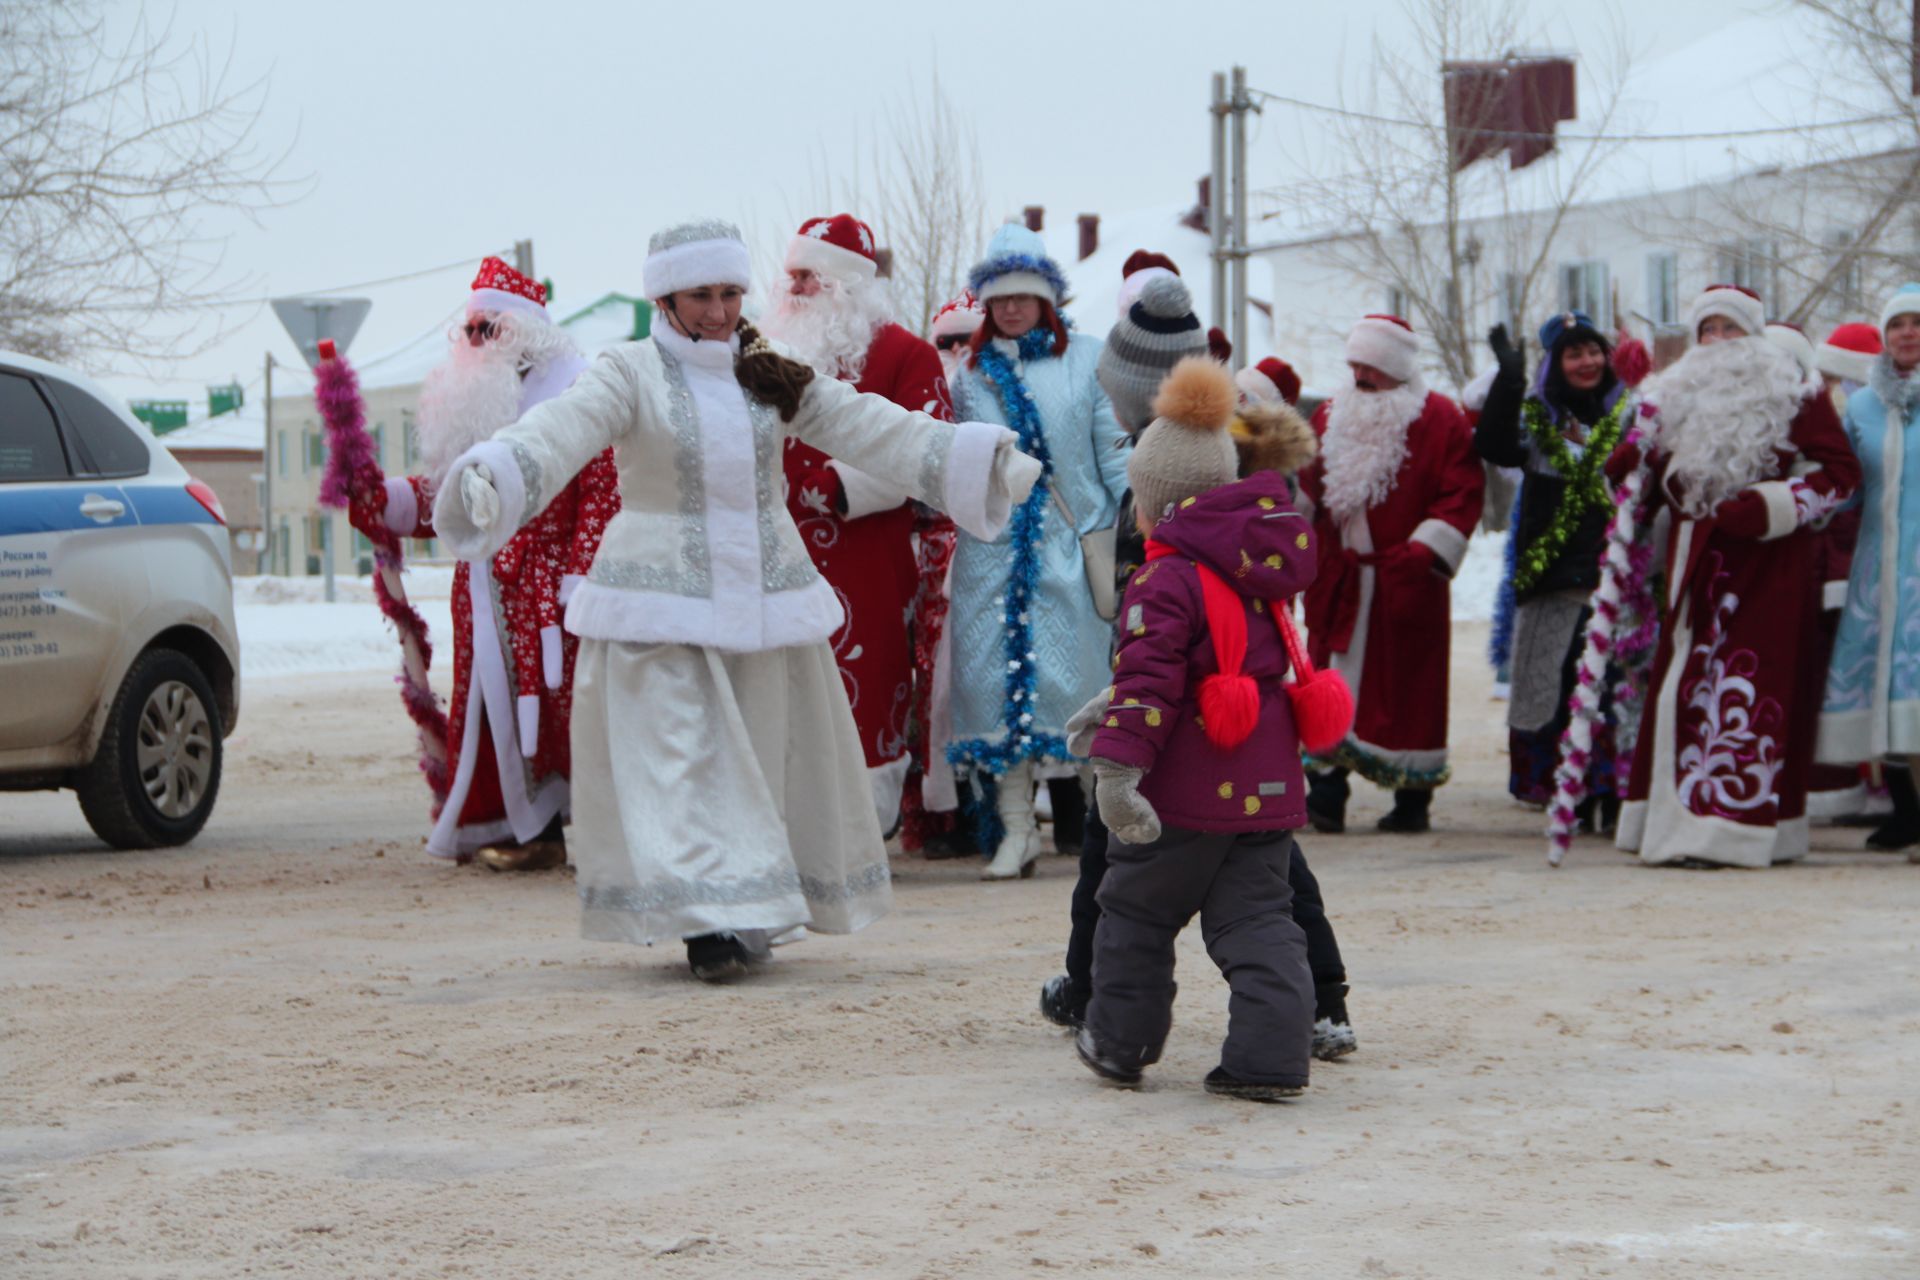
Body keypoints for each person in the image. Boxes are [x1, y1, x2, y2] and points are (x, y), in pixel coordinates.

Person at [428, 218, 1040, 981]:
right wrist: (495, 471)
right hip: (657, 604)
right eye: (700, 296)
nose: (718, 311)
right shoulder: (629, 372)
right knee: (683, 760)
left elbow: (869, 427)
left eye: (729, 293)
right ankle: (706, 922)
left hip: (764, 602)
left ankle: (746, 906)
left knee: (755, 764)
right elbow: (557, 431)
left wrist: (974, 456)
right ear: (666, 298)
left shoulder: (769, 369)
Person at [1043, 351, 1357, 1061]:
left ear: (1159, 498)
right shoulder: (1256, 569)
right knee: (1260, 922)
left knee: (1134, 915)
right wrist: (1110, 699)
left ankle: (1120, 1045)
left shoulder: (1166, 577)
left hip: (1183, 794)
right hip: (1267, 785)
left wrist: (1117, 772)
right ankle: (1271, 1058)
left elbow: (1152, 686)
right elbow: (1222, 661)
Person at [347, 256, 619, 871]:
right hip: (488, 595)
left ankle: (604, 834)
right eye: (468, 330)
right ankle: (528, 832)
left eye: (488, 329)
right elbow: (448, 497)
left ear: (526, 333)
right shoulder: (479, 407)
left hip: (557, 598)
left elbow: (603, 491)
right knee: (500, 718)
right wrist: (384, 500)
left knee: (570, 713)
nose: (474, 342)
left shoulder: (578, 397)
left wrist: (583, 578)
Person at [1609, 284, 1859, 868]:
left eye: (1731, 329)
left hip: (1768, 569)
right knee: (1683, 687)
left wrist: (1772, 505)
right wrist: (1629, 473)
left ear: (1754, 335)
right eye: (1707, 331)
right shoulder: (1672, 397)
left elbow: (1840, 476)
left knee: (1744, 691)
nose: (1719, 343)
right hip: (1696, 564)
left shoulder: (1795, 391)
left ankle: (1727, 829)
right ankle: (1676, 823)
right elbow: (1649, 487)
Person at [946, 222, 1130, 880]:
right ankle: (1016, 829)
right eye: (999, 299)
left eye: (1024, 296)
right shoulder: (968, 375)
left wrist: (1139, 517)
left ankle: (1100, 825)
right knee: (993, 688)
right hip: (991, 554)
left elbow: (1114, 450)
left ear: (1048, 299)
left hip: (1070, 548)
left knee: (1080, 686)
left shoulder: (1086, 357)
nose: (1011, 309)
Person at [762, 213, 954, 834]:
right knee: (779, 684)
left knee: (866, 684)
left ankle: (863, 827)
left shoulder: (907, 354)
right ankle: (788, 825)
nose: (791, 286)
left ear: (845, 284)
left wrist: (845, 485)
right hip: (775, 551)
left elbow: (932, 449)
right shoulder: (764, 355)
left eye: (807, 275)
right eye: (789, 272)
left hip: (867, 554)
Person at [1296, 315, 1485, 834]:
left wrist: (1427, 550)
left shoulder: (1441, 419)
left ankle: (1412, 797)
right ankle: (1327, 793)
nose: (1360, 375)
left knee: (1410, 689)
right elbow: (1308, 486)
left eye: (1372, 366)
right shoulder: (1331, 415)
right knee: (1327, 683)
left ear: (1397, 370)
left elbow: (1461, 492)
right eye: (1355, 364)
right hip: (1340, 579)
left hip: (1405, 578)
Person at [1474, 312, 1634, 824]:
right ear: (1556, 364)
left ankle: (1615, 790)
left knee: (1615, 687)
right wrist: (1509, 379)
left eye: (1593, 351)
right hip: (1553, 576)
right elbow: (1493, 445)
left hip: (1618, 571)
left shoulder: (1630, 413)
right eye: (1573, 353)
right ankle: (1565, 790)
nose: (1586, 362)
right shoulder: (1537, 418)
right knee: (1556, 685)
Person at [1817, 284, 1920, 855]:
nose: (1908, 332)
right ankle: (1906, 811)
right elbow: (1846, 491)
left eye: (1917, 322)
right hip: (1879, 567)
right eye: (1897, 324)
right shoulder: (1860, 407)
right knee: (1890, 687)